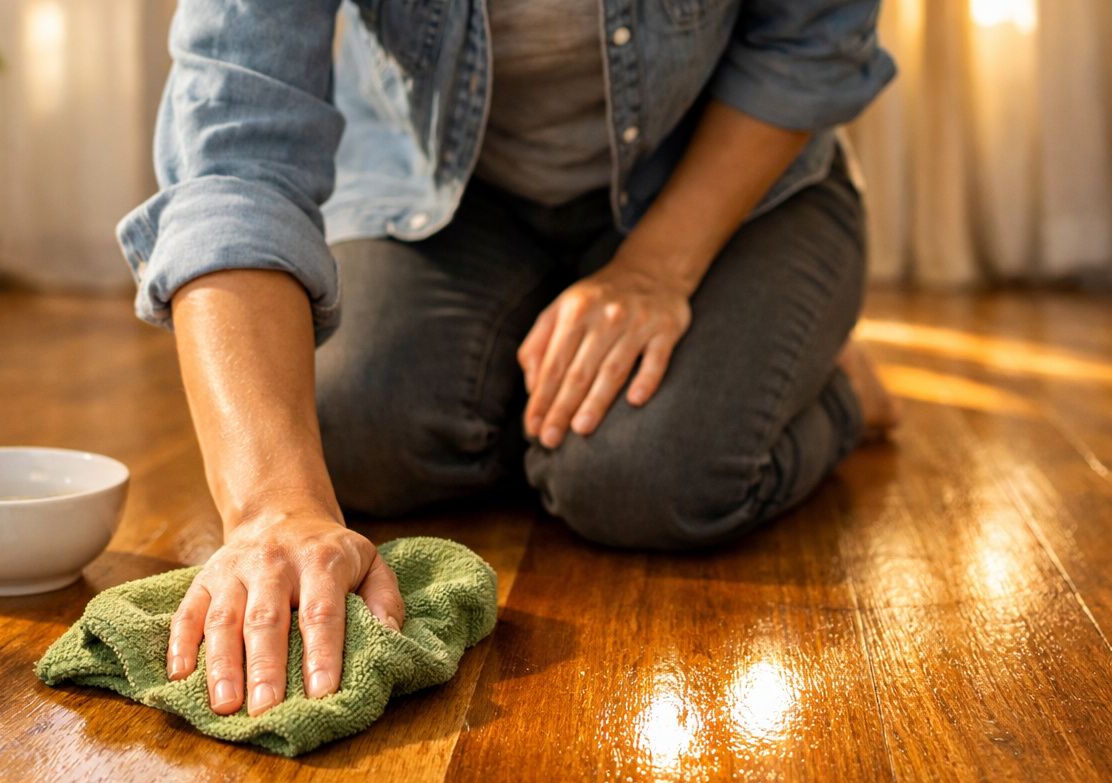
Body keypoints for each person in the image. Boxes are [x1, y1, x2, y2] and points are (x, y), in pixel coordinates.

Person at [118, 0, 899, 719]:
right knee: (353, 433)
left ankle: (834, 387)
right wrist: (271, 510)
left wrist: (654, 270)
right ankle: (541, 367)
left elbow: (809, 43)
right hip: (441, 199)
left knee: (643, 475)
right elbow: (235, 149)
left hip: (728, 182)